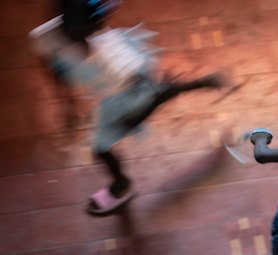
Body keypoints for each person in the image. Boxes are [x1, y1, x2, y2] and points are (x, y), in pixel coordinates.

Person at [29, 0, 224, 214]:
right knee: (121, 128)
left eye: (85, 33)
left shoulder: (118, 59)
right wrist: (67, 105)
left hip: (126, 91)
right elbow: (52, 66)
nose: (75, 38)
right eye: (69, 31)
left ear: (95, 29)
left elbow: (140, 97)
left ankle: (121, 186)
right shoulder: (45, 36)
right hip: (116, 89)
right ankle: (180, 88)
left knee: (102, 146)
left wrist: (138, 112)